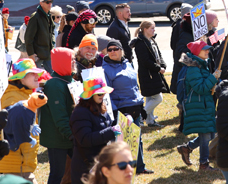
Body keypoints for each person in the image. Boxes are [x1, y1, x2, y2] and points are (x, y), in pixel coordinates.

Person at [102, 40, 152, 175]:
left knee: (137, 138)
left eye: (115, 49)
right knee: (120, 142)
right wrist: (115, 111)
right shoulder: (105, 69)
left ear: (121, 50)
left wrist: (141, 104)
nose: (112, 51)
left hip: (135, 106)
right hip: (121, 109)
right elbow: (106, 94)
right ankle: (120, 170)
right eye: (109, 50)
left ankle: (140, 167)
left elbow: (135, 86)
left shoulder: (128, 64)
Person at [0, 59, 44, 183]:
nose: (37, 76)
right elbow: (10, 125)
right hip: (17, 162)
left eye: (37, 73)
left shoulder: (22, 94)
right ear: (21, 78)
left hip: (21, 163)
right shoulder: (13, 97)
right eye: (32, 73)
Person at [176, 40, 220, 171]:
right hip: (198, 106)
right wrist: (213, 78)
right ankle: (203, 164)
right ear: (196, 52)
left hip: (204, 105)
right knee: (206, 135)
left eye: (208, 49)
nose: (208, 51)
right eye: (204, 49)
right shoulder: (193, 68)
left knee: (210, 134)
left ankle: (187, 148)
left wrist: (214, 82)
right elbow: (200, 88)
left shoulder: (201, 65)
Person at [69, 77, 117, 184]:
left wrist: (121, 122)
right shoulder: (80, 113)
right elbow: (85, 139)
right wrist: (111, 131)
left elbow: (107, 126)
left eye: (104, 93)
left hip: (99, 163)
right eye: (99, 93)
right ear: (90, 95)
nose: (102, 95)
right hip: (85, 169)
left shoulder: (100, 107)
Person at [40, 48, 76, 184]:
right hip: (57, 138)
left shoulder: (68, 80)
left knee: (79, 170)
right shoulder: (55, 84)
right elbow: (59, 116)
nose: (74, 62)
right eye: (71, 60)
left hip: (69, 135)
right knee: (57, 174)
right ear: (62, 62)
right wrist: (71, 135)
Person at [130, 21, 168, 128]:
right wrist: (158, 68)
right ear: (145, 29)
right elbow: (145, 61)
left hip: (154, 73)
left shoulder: (151, 40)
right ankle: (140, 116)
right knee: (158, 98)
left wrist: (163, 65)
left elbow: (159, 55)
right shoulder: (140, 43)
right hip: (147, 75)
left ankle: (150, 121)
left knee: (150, 98)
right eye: (152, 28)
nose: (154, 30)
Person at [25, 0, 55, 73]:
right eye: (47, 2)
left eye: (51, 1)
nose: (50, 4)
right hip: (37, 55)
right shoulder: (35, 17)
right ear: (41, 3)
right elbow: (28, 37)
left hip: (47, 53)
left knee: (53, 74)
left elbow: (52, 31)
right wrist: (31, 54)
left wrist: (52, 42)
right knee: (35, 74)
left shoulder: (49, 15)